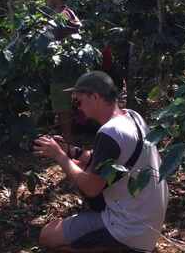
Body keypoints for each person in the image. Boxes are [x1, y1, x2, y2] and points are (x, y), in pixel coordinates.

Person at [33, 71, 169, 252]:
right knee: (83, 167)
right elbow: (110, 160)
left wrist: (60, 156)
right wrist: (72, 151)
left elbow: (91, 188)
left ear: (95, 97)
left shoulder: (109, 132)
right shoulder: (132, 117)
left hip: (127, 227)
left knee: (47, 236)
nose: (77, 107)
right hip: (147, 222)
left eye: (79, 101)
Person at [45, 0, 82, 142]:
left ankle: (67, 144)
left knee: (63, 107)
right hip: (65, 65)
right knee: (64, 106)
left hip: (63, 67)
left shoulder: (63, 15)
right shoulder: (66, 13)